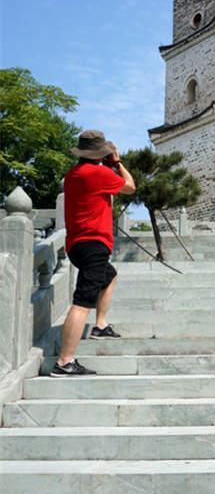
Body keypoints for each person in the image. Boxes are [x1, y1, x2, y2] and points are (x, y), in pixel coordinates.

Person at [50, 129, 136, 377]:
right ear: (100, 153)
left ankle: (100, 325)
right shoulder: (98, 174)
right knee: (81, 303)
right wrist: (117, 163)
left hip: (76, 244)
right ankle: (65, 362)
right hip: (94, 244)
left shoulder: (72, 175)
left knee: (109, 276)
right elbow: (130, 187)